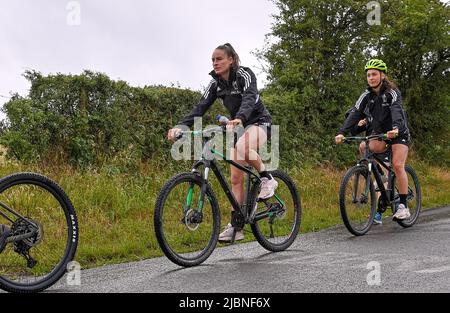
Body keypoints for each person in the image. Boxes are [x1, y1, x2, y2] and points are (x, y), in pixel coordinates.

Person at [167, 43, 277, 242]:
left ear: (231, 59)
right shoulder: (215, 83)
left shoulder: (244, 74)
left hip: (259, 122)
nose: (215, 63)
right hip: (239, 126)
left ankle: (267, 178)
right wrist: (181, 126)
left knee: (243, 147)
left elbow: (250, 97)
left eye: (219, 59)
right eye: (212, 60)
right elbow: (200, 106)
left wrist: (241, 117)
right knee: (235, 178)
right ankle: (237, 226)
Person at [335, 59, 411, 220]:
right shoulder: (366, 95)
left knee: (398, 165)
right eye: (368, 75)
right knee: (364, 146)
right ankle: (379, 177)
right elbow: (355, 112)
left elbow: (397, 110)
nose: (371, 77)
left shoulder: (392, 92)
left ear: (382, 75)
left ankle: (403, 206)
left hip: (398, 133)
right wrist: (342, 132)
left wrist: (396, 128)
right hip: (381, 134)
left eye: (374, 74)